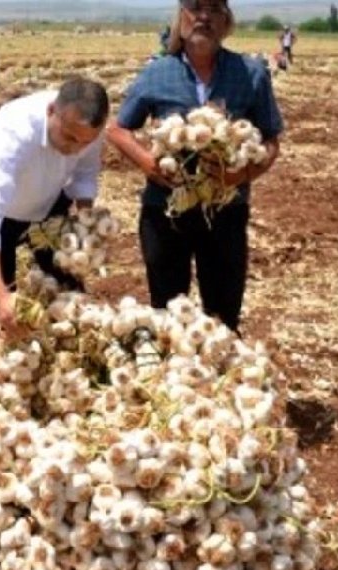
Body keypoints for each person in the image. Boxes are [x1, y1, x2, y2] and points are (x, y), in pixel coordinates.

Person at [107, 0, 282, 333]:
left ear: (226, 20)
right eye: (195, 7)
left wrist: (240, 175)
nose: (204, 17)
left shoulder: (251, 73)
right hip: (165, 213)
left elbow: (271, 141)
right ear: (181, 17)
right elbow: (117, 129)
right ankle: (175, 376)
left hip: (226, 212)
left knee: (223, 315)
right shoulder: (158, 71)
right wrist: (149, 164)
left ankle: (220, 372)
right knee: (169, 312)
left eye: (214, 9)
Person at [0, 78, 109, 336]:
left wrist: (85, 223)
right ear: (51, 111)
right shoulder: (13, 133)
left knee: (69, 290)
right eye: (69, 137)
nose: (75, 148)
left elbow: (85, 175)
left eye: (84, 142)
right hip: (2, 215)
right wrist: (0, 296)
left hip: (49, 205)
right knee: (8, 308)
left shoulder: (87, 128)